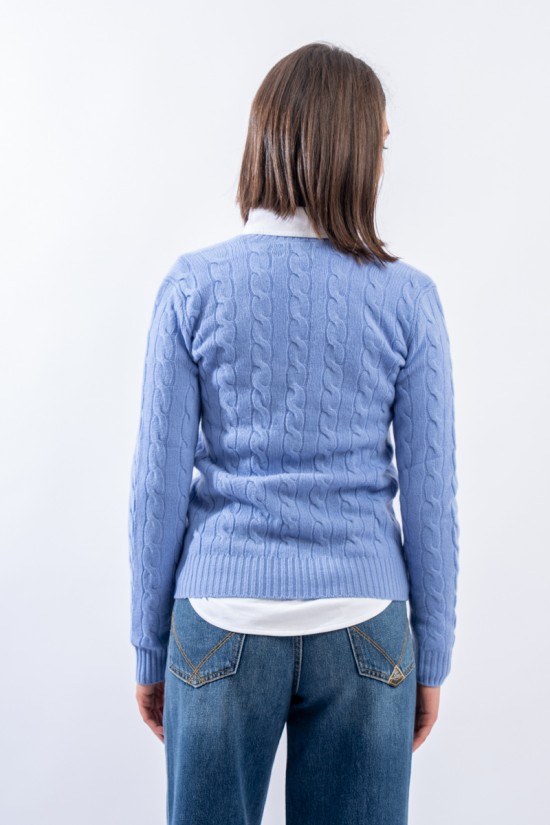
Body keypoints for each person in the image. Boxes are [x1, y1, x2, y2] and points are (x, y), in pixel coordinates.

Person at [128, 41, 460, 825]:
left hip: (219, 619)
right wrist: (433, 653)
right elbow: (433, 496)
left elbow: (156, 486)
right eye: (380, 146)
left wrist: (150, 644)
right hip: (366, 626)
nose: (383, 165)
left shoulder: (192, 285)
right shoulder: (408, 299)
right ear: (351, 151)